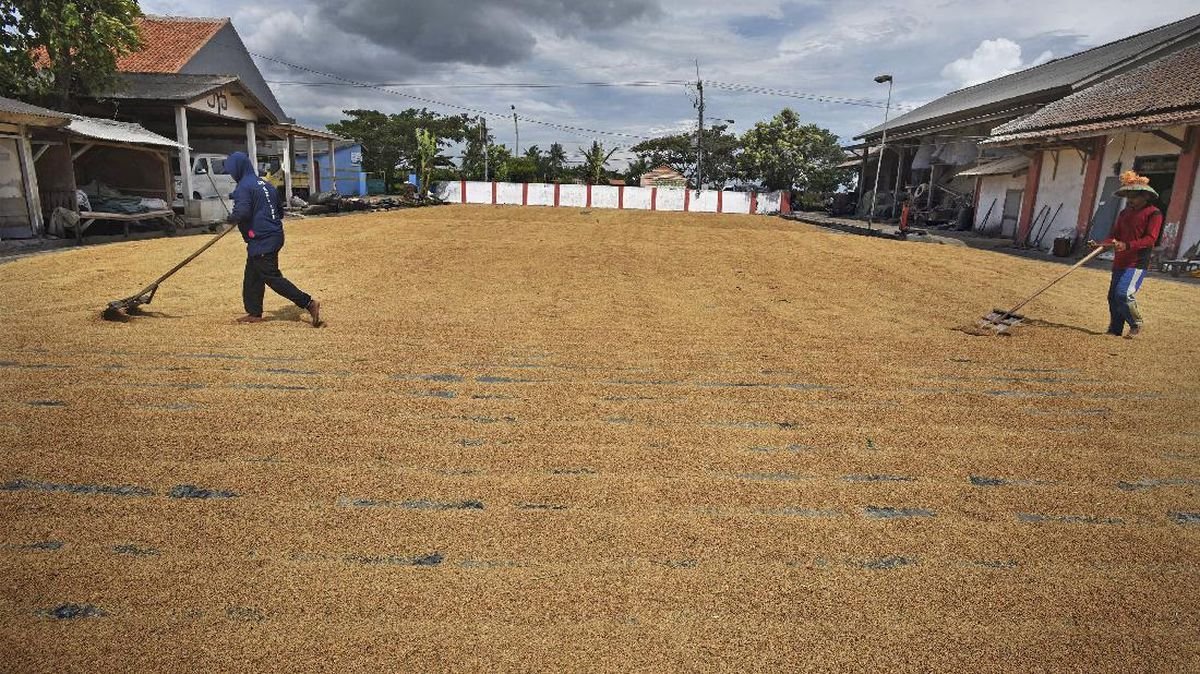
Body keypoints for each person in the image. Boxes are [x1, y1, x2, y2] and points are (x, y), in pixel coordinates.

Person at [225, 151, 322, 327]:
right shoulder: (265, 184)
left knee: (271, 276)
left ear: (238, 169)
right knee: (253, 275)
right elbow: (279, 212)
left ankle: (308, 302)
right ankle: (254, 312)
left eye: (231, 170)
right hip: (273, 235)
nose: (231, 174)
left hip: (263, 239)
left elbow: (243, 212)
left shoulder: (243, 187)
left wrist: (231, 218)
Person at [1089, 171, 1162, 339]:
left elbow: (1150, 239)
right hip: (1120, 262)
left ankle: (1136, 324)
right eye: (1128, 196)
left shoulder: (1154, 213)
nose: (1130, 200)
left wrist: (1127, 245)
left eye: (1134, 196)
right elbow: (1115, 236)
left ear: (1145, 196)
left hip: (1136, 262)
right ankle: (1115, 329)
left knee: (1123, 294)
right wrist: (1101, 244)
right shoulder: (1124, 213)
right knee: (1112, 296)